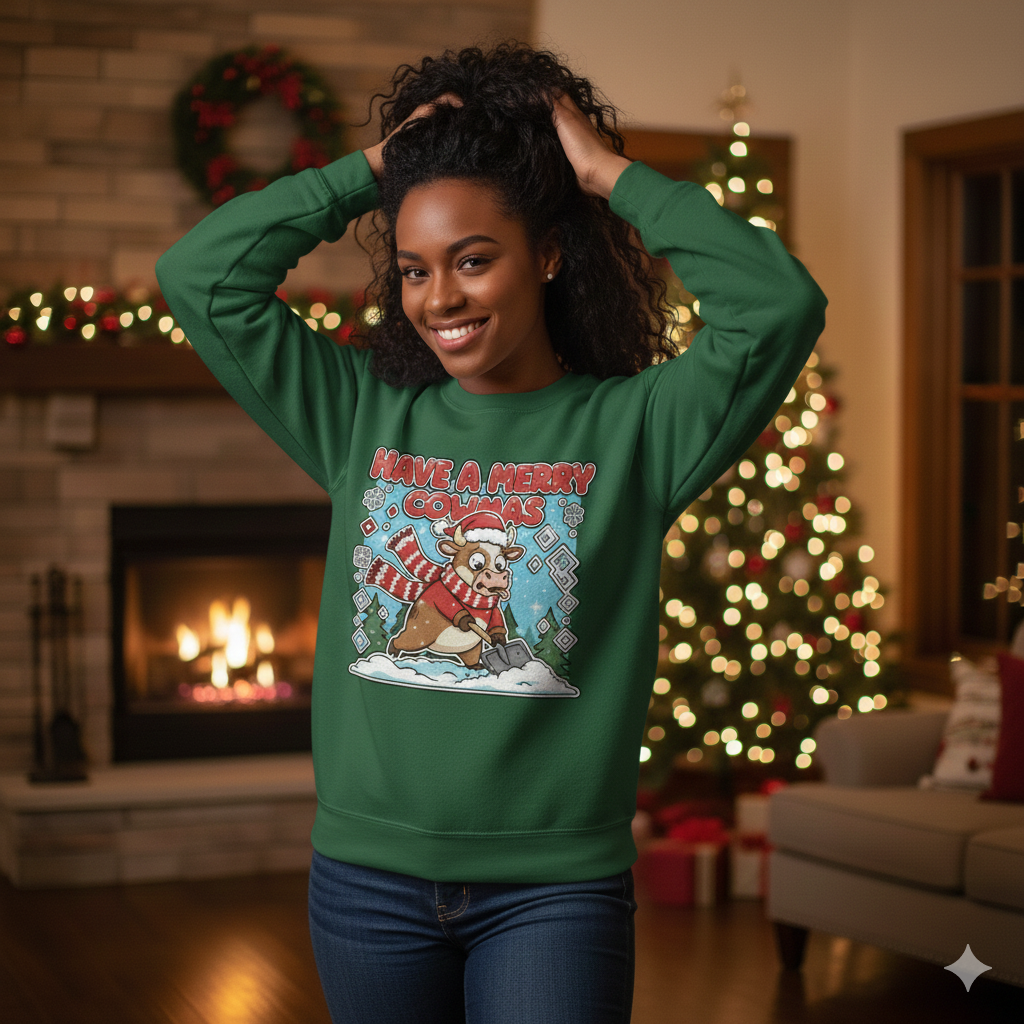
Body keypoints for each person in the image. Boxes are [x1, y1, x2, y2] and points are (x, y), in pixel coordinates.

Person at [157, 42, 826, 1024]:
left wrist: (604, 174)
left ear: (548, 253)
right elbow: (199, 277)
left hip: (551, 892)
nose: (441, 299)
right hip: (365, 883)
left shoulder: (635, 428)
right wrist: (377, 168)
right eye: (417, 268)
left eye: (474, 259)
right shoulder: (359, 417)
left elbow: (778, 307)